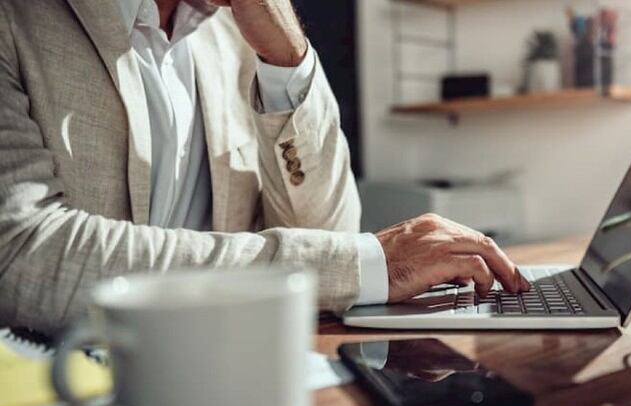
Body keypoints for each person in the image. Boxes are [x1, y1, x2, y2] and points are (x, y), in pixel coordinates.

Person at [0, 0, 528, 335]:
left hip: (234, 366)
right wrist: (363, 264)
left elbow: (327, 232)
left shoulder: (234, 33)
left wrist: (288, 55)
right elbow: (19, 256)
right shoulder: (16, 20)